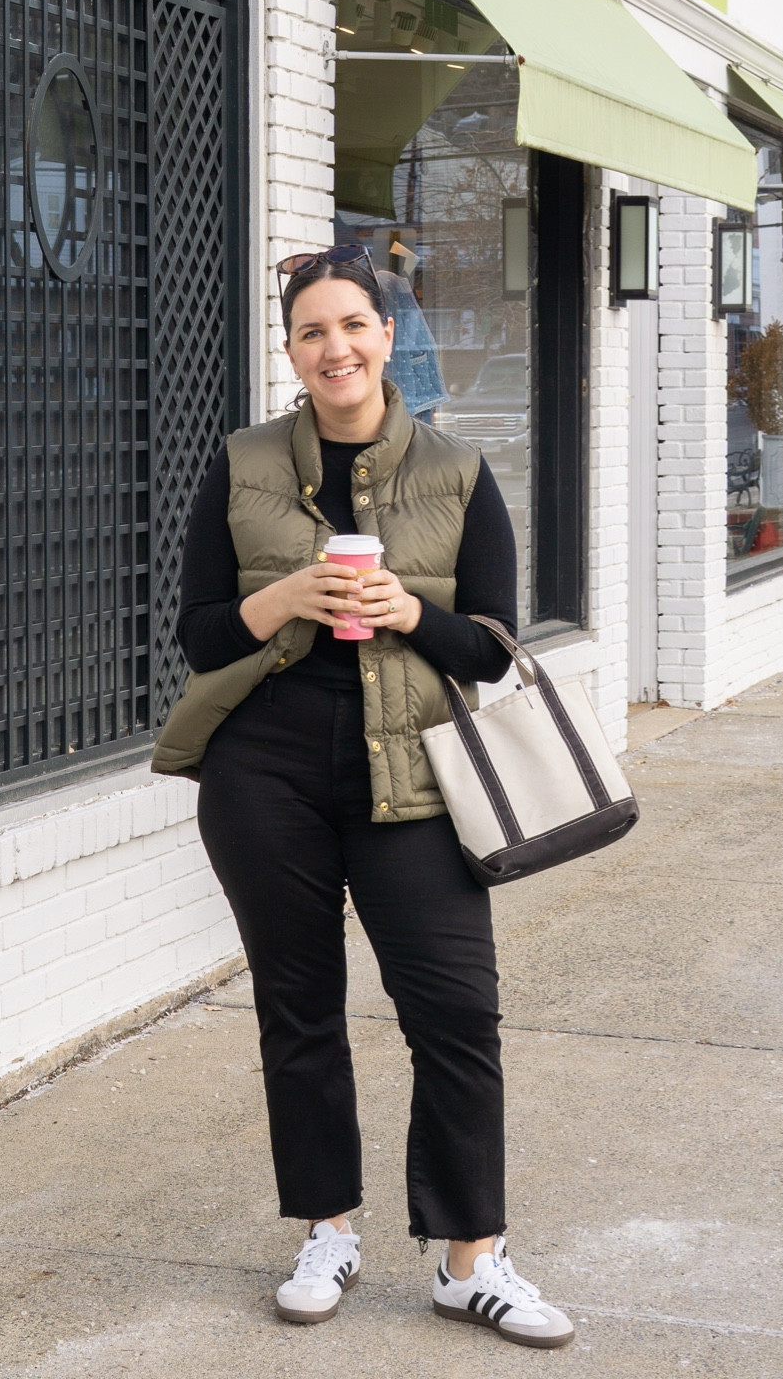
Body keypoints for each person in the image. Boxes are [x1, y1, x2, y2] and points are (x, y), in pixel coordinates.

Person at [152, 243, 574, 1349]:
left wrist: (401, 610)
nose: (334, 346)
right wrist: (290, 590)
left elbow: (490, 648)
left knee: (455, 1008)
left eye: (353, 324)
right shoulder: (241, 462)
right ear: (290, 351)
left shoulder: (458, 469)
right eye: (310, 331)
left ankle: (469, 1256)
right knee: (300, 1006)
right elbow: (196, 634)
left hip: (417, 771)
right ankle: (326, 1228)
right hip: (266, 767)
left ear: (389, 335)